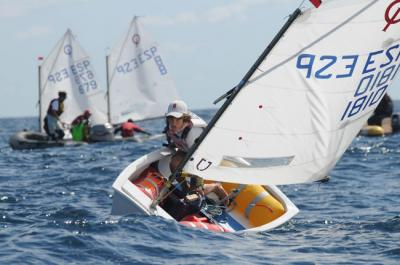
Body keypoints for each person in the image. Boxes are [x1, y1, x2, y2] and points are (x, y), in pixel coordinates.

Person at [163, 100, 228, 206]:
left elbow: (199, 158)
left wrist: (198, 183)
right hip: (189, 152)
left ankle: (215, 187)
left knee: (195, 194)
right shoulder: (171, 127)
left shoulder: (193, 131)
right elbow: (177, 141)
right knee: (173, 163)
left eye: (177, 119)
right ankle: (185, 188)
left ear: (184, 118)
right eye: (171, 118)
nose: (173, 123)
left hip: (204, 158)